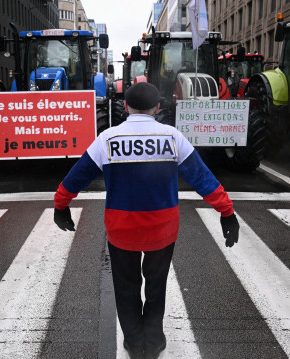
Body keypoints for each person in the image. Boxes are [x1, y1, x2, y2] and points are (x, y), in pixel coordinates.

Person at [53, 82, 240, 358]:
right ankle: (153, 343)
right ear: (158, 108)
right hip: (161, 230)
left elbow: (76, 177)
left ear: (125, 107)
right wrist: (227, 212)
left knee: (126, 287)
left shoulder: (107, 139)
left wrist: (61, 205)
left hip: (121, 230)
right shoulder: (173, 138)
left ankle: (133, 342)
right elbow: (203, 179)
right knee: (156, 286)